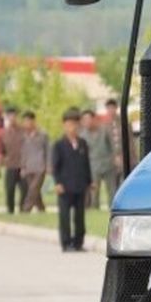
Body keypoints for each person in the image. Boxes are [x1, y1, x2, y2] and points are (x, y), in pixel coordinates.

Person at [50, 108, 92, 252]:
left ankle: (78, 243)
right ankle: (66, 243)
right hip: (65, 187)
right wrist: (57, 183)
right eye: (69, 124)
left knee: (80, 217)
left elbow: (86, 164)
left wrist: (90, 181)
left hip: (80, 185)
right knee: (65, 217)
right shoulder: (59, 145)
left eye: (75, 124)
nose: (73, 127)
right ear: (64, 125)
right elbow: (55, 167)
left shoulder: (83, 144)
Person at [81, 109, 116, 209]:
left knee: (112, 189)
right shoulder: (83, 135)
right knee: (94, 191)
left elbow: (113, 145)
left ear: (94, 119)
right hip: (93, 165)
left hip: (108, 164)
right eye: (84, 120)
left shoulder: (104, 130)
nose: (86, 122)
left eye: (88, 119)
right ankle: (94, 208)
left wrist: (115, 157)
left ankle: (113, 208)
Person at [19, 111, 49, 213]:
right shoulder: (23, 136)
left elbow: (48, 150)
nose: (26, 124)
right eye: (25, 121)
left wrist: (49, 165)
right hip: (28, 167)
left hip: (40, 167)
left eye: (28, 121)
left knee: (33, 189)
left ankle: (26, 209)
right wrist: (22, 167)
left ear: (33, 121)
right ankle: (41, 209)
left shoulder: (43, 135)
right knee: (35, 191)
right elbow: (23, 152)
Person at [0, 107, 26, 214]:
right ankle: (10, 211)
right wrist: (1, 161)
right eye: (10, 116)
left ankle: (23, 210)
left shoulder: (24, 131)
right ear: (6, 117)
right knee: (10, 190)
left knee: (25, 189)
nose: (12, 118)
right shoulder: (3, 133)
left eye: (14, 116)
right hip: (10, 165)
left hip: (23, 165)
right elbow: (2, 150)